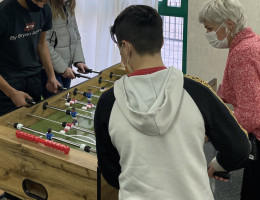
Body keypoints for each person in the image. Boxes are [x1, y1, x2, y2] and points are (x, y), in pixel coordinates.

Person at [94, 5, 250, 200]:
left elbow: (109, 169)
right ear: (162, 41)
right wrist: (219, 164)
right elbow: (239, 148)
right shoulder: (198, 92)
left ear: (126, 47)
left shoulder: (108, 103)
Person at [199, 0, 260, 199]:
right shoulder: (252, 43)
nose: (207, 34)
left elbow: (251, 115)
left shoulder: (242, 53)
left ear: (229, 25)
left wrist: (220, 159)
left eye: (209, 28)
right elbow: (238, 89)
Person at [0, 0, 61, 117]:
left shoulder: (45, 9)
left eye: (45, 1)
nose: (40, 6)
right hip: (7, 84)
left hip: (33, 79)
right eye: (38, 0)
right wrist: (12, 93)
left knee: (33, 122)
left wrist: (51, 76)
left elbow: (41, 44)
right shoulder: (3, 12)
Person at [41, 0, 89, 98]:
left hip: (67, 68)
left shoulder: (68, 6)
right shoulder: (46, 7)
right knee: (56, 107)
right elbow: (43, 44)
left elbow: (76, 36)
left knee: (64, 103)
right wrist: (63, 68)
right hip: (50, 71)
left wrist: (78, 61)